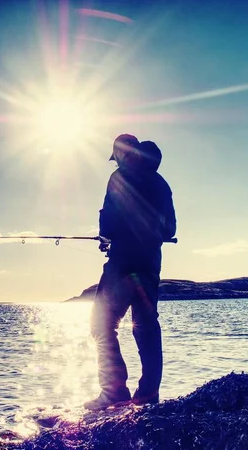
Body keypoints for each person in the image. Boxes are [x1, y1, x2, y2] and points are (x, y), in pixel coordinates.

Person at [84, 134, 177, 411]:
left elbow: (109, 224)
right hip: (150, 263)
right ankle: (149, 394)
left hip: (123, 262)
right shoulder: (162, 184)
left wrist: (106, 237)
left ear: (120, 153)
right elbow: (170, 230)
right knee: (146, 326)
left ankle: (114, 392)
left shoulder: (119, 177)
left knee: (101, 324)